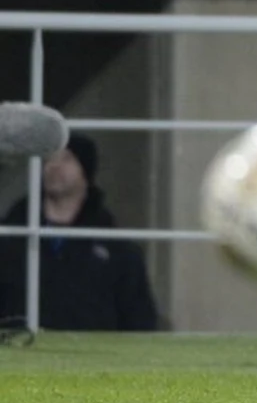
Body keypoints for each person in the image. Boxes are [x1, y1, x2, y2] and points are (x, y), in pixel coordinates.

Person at [0, 133, 159, 331]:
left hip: (92, 358)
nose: (54, 166)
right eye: (49, 159)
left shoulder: (116, 248)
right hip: (20, 353)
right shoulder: (11, 234)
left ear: (86, 171)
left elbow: (139, 319)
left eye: (66, 158)